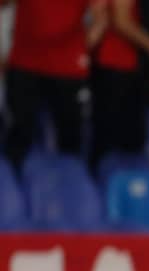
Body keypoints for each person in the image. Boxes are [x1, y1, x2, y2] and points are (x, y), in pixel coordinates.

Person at [3, 0, 101, 170]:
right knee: (18, 133)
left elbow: (101, 14)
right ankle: (13, 187)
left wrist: (85, 44)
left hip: (68, 67)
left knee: (70, 135)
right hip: (26, 62)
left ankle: (70, 184)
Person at [92, 0, 149, 168]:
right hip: (117, 64)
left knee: (129, 142)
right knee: (111, 139)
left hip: (131, 66)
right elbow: (121, 21)